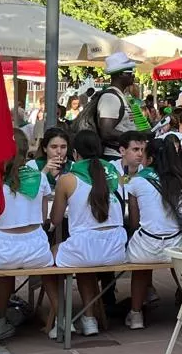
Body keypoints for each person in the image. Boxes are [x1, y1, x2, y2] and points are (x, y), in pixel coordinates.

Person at [0, 131, 61, 338]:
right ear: (28, 152)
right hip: (37, 251)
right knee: (49, 262)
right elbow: (43, 220)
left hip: (3, 253)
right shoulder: (41, 178)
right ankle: (62, 317)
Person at [51, 130, 127, 337]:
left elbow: (56, 220)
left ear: (75, 153)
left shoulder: (68, 179)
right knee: (85, 260)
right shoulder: (114, 172)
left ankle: (64, 319)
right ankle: (89, 318)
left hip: (86, 248)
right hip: (117, 247)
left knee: (50, 256)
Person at [123, 136, 182, 328]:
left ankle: (136, 315)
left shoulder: (137, 182)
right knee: (179, 266)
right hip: (176, 246)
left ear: (149, 159)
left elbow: (134, 222)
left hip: (146, 247)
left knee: (140, 269)